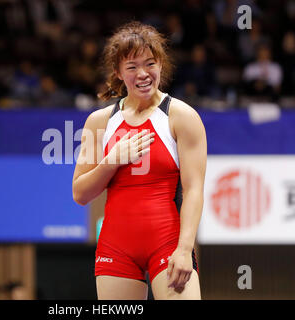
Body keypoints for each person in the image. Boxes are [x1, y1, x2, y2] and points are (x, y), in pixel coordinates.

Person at [72, 21, 207, 300]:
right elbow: (80, 193)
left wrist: (185, 248)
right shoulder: (99, 122)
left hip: (168, 243)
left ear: (161, 65)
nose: (143, 74)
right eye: (132, 67)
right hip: (115, 247)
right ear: (118, 73)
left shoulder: (181, 117)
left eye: (150, 64)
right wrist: (113, 160)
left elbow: (194, 190)